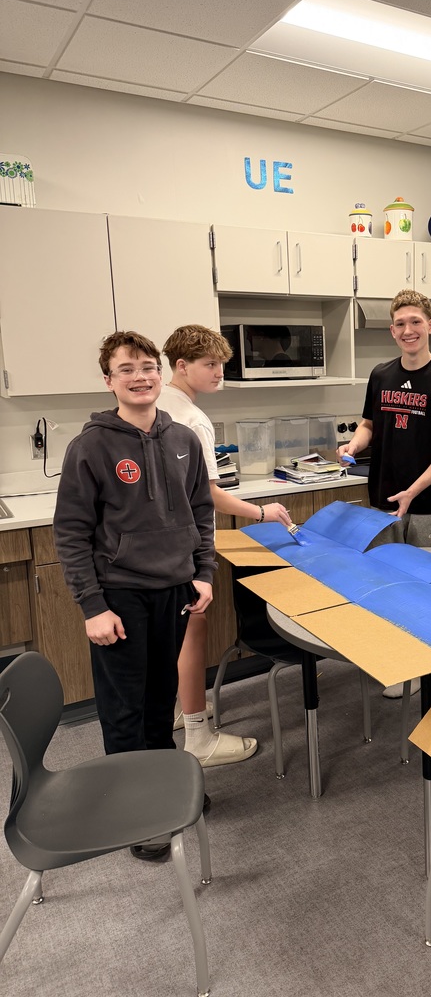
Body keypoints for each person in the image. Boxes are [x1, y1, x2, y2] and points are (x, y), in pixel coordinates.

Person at [53, 330, 216, 861]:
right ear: (109, 381)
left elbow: (200, 515)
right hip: (119, 597)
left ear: (159, 371)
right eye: (127, 369)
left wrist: (203, 572)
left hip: (174, 590)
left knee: (158, 697)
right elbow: (71, 534)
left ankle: (165, 792)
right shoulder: (91, 447)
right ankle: (133, 815)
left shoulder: (183, 440)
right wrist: (92, 607)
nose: (140, 376)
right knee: (123, 708)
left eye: (147, 366)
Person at [158, 324, 292, 765]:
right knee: (192, 634)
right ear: (181, 366)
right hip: (185, 545)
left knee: (176, 634)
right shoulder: (193, 420)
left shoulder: (153, 402)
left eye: (221, 364)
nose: (218, 372)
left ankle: (183, 708)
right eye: (209, 365)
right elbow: (210, 495)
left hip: (158, 542)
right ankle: (199, 737)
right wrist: (262, 512)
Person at [338, 289, 431, 697]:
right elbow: (368, 425)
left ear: (430, 326)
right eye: (400, 324)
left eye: (416, 322)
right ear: (392, 330)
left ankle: (424, 668)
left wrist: (412, 490)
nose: (408, 330)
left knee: (426, 587)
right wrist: (354, 446)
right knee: (387, 583)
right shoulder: (381, 375)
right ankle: (397, 661)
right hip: (384, 502)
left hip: (428, 505)